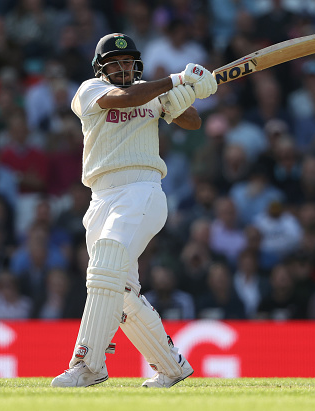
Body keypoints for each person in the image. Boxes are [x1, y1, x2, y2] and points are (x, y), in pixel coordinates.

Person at [51, 33, 217, 388]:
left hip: (142, 191)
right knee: (120, 292)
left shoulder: (149, 90)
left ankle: (89, 365)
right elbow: (122, 99)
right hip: (101, 198)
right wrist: (176, 81)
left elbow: (191, 121)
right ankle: (172, 368)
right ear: (101, 67)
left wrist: (190, 92)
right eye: (116, 63)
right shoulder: (90, 90)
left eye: (128, 62)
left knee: (107, 261)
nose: (124, 68)